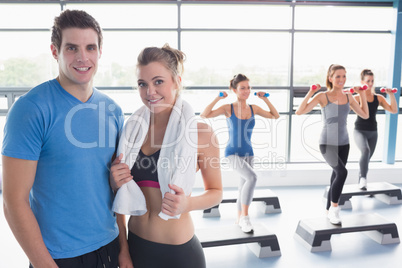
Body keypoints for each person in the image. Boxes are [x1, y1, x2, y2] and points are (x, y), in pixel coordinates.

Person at [2, 10, 124, 267]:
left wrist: (123, 247)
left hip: (109, 247)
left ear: (100, 51)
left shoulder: (112, 110)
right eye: (71, 48)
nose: (83, 57)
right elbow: (14, 201)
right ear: (55, 51)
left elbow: (117, 188)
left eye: (90, 47)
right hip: (57, 257)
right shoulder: (30, 109)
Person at [110, 44, 223, 268]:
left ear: (177, 82)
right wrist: (123, 250)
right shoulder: (130, 132)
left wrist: (187, 204)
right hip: (135, 248)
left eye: (158, 81)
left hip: (179, 254)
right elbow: (120, 201)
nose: (150, 91)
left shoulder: (200, 133)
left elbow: (216, 192)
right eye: (143, 84)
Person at [200, 74, 280, 233]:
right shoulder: (228, 108)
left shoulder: (253, 108)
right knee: (252, 177)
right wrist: (218, 98)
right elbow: (205, 114)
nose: (247, 91)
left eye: (249, 88)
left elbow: (275, 115)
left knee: (243, 187)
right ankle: (245, 218)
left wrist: (265, 99)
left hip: (249, 153)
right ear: (234, 90)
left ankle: (238, 218)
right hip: (232, 153)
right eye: (242, 88)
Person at [295, 64, 369, 225]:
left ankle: (328, 210)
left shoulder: (349, 97)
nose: (341, 79)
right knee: (342, 173)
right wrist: (310, 92)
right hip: (327, 143)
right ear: (330, 78)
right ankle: (335, 210)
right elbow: (299, 111)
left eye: (344, 76)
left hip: (344, 143)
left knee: (336, 175)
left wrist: (362, 94)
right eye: (338, 76)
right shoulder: (323, 96)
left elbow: (364, 114)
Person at [354, 69, 398, 190]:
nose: (370, 83)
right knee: (365, 151)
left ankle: (361, 184)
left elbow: (394, 110)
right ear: (362, 81)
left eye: (372, 81)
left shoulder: (378, 98)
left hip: (373, 132)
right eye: (368, 81)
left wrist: (391, 95)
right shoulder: (357, 97)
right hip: (359, 131)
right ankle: (363, 179)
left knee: (367, 158)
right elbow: (345, 106)